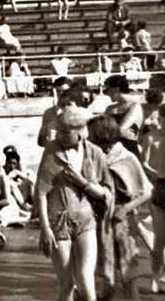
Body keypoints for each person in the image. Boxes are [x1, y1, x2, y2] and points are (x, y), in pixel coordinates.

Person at [35, 105, 113, 301]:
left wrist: (83, 182)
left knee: (87, 281)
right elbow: (41, 192)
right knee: (67, 284)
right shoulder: (52, 151)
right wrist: (44, 228)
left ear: (80, 132)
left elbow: (106, 193)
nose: (58, 135)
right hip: (58, 222)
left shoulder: (94, 153)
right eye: (58, 130)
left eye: (64, 131)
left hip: (86, 220)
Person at [88, 115, 152, 301]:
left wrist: (125, 209)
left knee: (127, 272)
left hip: (122, 221)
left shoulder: (126, 158)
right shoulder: (96, 156)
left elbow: (147, 191)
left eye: (92, 135)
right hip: (100, 220)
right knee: (105, 271)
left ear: (102, 136)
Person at [140, 104, 165, 297]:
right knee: (160, 241)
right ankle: (156, 280)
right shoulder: (161, 139)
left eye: (164, 120)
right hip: (163, 190)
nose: (160, 123)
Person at [104, 75, 143, 156]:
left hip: (128, 148)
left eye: (108, 89)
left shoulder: (134, 106)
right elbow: (102, 128)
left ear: (116, 89)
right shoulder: (110, 108)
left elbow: (121, 129)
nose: (106, 93)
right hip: (111, 149)